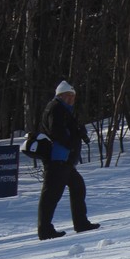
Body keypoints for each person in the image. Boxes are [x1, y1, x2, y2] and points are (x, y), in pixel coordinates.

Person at [36, 81, 100, 240]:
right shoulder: (56, 108)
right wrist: (72, 141)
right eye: (69, 97)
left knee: (78, 187)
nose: (72, 100)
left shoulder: (62, 109)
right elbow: (57, 131)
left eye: (73, 97)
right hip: (57, 159)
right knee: (51, 195)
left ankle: (81, 223)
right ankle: (45, 230)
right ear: (61, 96)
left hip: (64, 159)